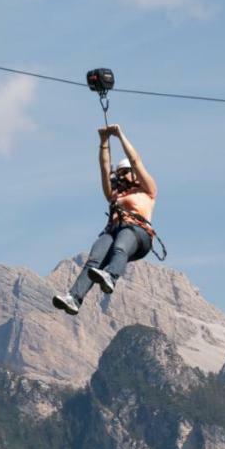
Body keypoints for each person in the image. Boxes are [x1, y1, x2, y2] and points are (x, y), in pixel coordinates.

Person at [52, 123, 157, 316]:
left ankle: (111, 276)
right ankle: (74, 298)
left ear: (132, 173)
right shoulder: (114, 195)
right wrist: (103, 142)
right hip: (114, 230)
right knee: (95, 260)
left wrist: (119, 135)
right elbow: (104, 168)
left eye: (124, 172)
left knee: (120, 245)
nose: (120, 176)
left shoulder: (147, 190)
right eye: (119, 173)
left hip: (138, 233)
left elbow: (135, 160)